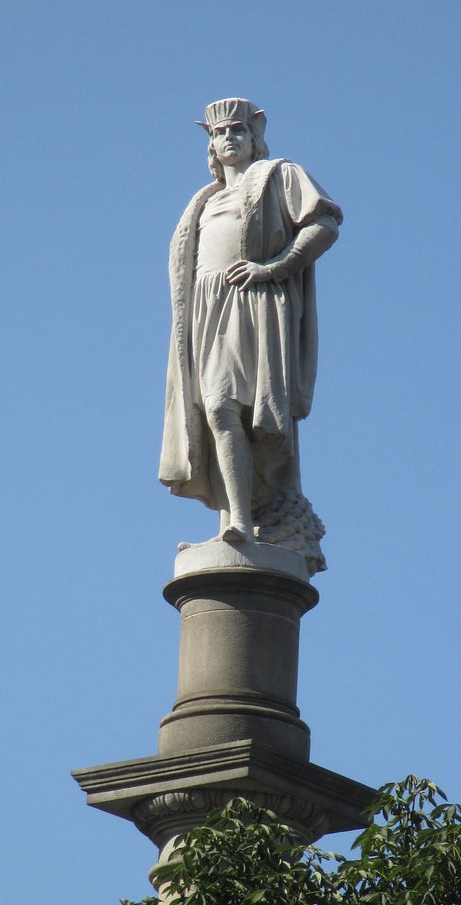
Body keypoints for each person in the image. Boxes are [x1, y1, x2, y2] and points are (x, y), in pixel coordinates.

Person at [159, 98, 342, 575]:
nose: (228, 140)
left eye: (237, 130)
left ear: (254, 134)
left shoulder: (280, 174)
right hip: (207, 308)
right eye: (219, 135)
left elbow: (323, 224)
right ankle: (232, 520)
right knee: (213, 409)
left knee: (241, 409)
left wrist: (276, 267)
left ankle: (249, 518)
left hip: (256, 301)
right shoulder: (203, 199)